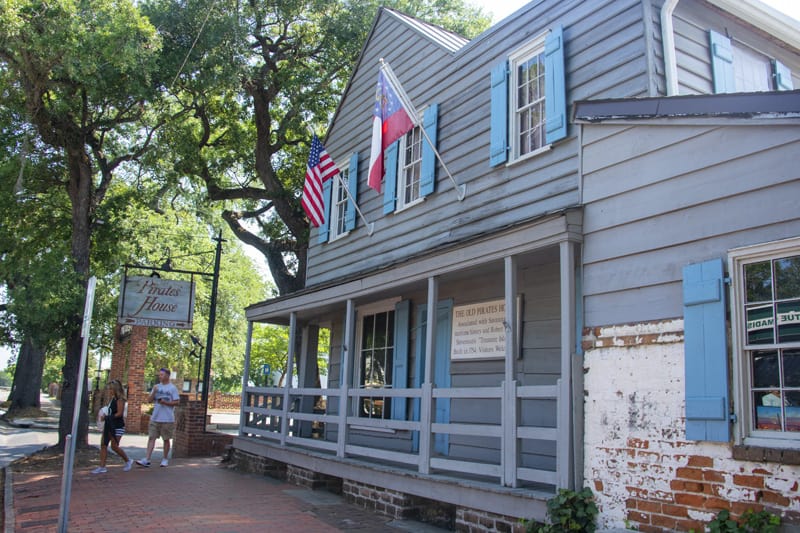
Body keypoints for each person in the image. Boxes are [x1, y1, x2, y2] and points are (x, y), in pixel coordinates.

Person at [137, 367, 180, 467]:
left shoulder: (172, 388)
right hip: (155, 417)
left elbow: (177, 402)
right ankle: (147, 459)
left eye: (162, 374)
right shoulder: (156, 387)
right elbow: (149, 400)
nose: (160, 376)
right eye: (159, 374)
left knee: (166, 439)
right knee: (151, 437)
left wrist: (166, 402)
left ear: (167, 376)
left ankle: (165, 459)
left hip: (167, 418)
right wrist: (154, 392)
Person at [92, 380, 134, 474]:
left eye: (111, 389)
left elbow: (119, 413)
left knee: (114, 446)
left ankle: (128, 460)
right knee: (104, 444)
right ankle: (102, 467)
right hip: (109, 424)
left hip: (117, 426)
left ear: (116, 389)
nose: (109, 391)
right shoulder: (113, 399)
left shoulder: (120, 400)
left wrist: (107, 417)